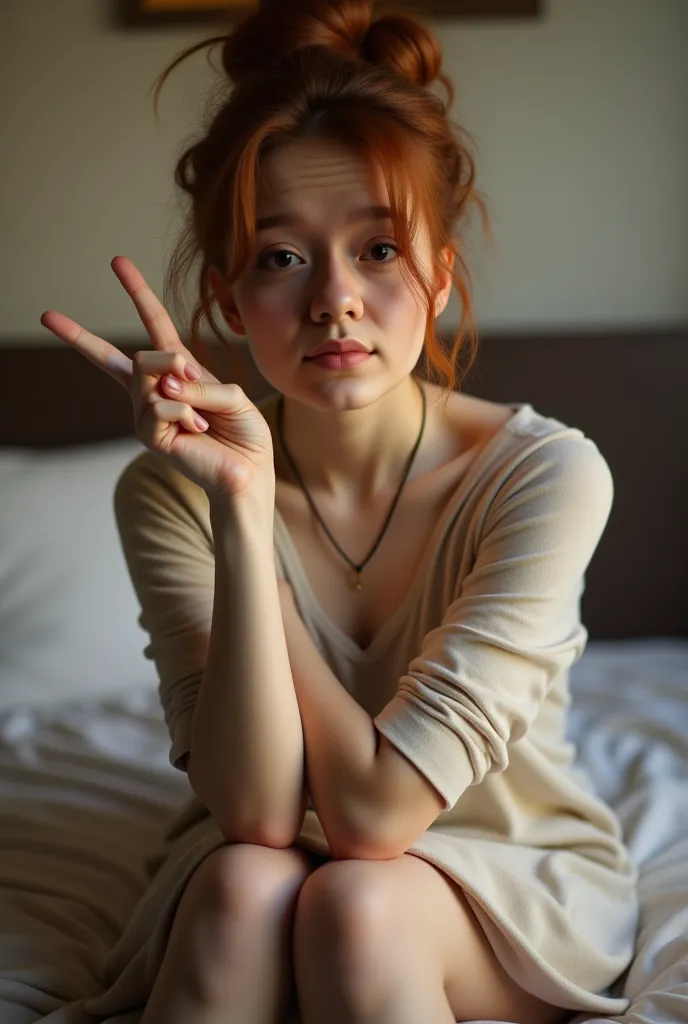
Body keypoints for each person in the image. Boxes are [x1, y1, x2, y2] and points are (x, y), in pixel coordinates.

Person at [40, 1, 639, 1022]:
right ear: (229, 301)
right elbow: (259, 812)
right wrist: (242, 509)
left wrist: (259, 572)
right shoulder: (167, 490)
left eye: (378, 250)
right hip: (261, 855)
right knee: (240, 888)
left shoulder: (545, 475)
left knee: (358, 906)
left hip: (504, 859)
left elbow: (369, 820)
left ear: (442, 275)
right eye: (281, 257)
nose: (333, 300)